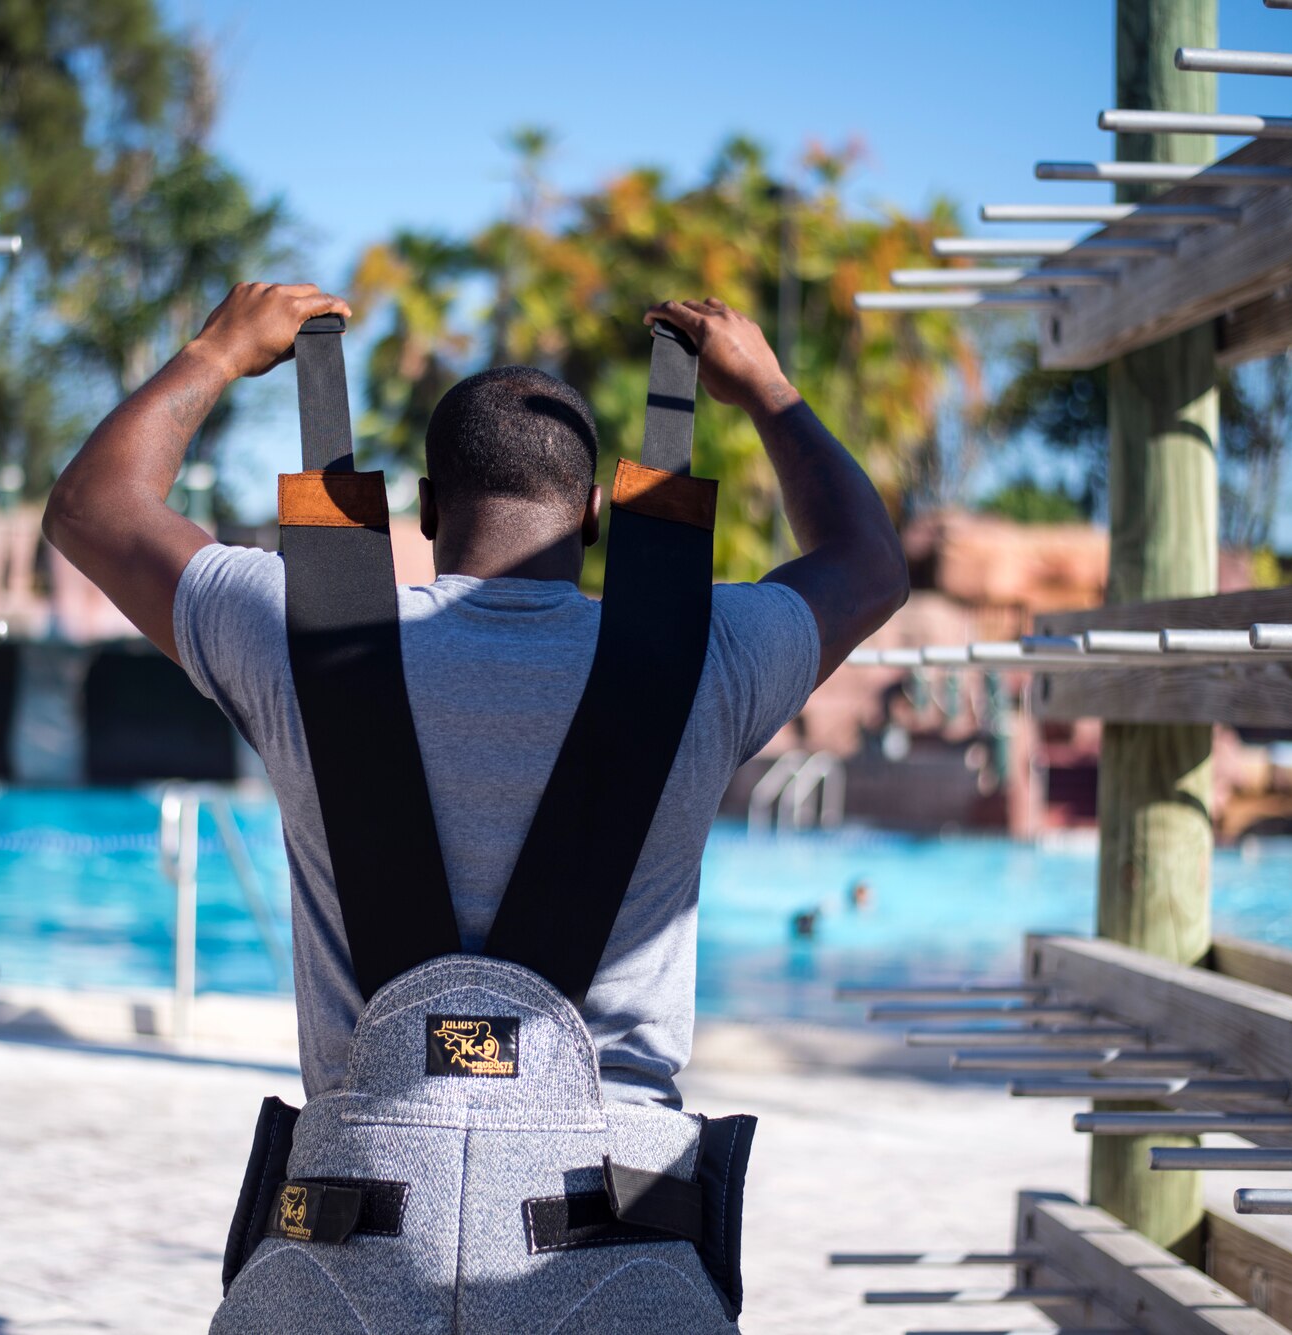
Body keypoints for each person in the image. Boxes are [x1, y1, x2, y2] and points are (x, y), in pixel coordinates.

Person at [44, 281, 908, 1108]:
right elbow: (870, 564)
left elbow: (90, 507)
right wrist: (765, 384)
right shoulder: (708, 655)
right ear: (595, 515)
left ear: (426, 508)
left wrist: (216, 350)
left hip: (363, 1214)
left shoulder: (296, 635)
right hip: (619, 1216)